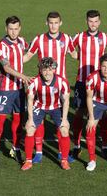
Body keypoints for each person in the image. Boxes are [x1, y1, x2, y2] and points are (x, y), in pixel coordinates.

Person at [23, 11, 76, 163]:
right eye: (50, 23)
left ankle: (61, 153)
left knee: (61, 122)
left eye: (56, 23)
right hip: (42, 84)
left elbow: (74, 54)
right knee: (39, 120)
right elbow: (27, 56)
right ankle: (38, 152)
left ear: (61, 23)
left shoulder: (66, 38)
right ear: (46, 23)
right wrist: (12, 63)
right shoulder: (39, 39)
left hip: (60, 86)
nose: (53, 25)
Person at [71, 10, 107, 160]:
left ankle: (103, 146)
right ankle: (77, 146)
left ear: (100, 22)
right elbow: (70, 48)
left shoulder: (105, 37)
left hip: (99, 82)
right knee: (79, 113)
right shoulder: (79, 36)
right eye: (91, 21)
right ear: (86, 22)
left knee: (102, 114)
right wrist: (79, 57)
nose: (93, 24)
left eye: (96, 21)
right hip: (82, 81)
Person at [0, 16, 31, 165]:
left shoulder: (22, 42)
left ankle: (15, 149)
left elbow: (28, 52)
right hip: (6, 89)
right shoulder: (1, 46)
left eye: (16, 29)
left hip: (19, 89)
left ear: (19, 29)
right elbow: (6, 68)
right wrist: (24, 77)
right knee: (0, 119)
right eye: (10, 29)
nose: (13, 32)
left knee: (18, 119)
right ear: (6, 29)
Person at [21, 57, 71, 171]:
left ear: (54, 70)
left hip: (56, 107)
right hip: (39, 106)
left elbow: (66, 100)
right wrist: (30, 119)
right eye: (44, 69)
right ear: (40, 70)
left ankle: (64, 160)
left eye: (49, 69)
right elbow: (29, 100)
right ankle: (28, 161)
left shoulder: (62, 82)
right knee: (29, 129)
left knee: (64, 129)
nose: (47, 72)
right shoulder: (34, 82)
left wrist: (64, 119)